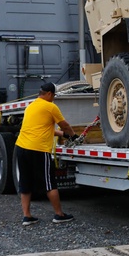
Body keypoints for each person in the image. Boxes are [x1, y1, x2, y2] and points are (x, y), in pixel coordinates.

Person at [15, 82, 76, 226]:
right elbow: (65, 125)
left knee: (25, 182)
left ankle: (27, 217)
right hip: (38, 149)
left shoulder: (31, 106)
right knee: (50, 182)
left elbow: (42, 128)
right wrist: (73, 136)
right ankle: (59, 214)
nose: (54, 98)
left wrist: (63, 135)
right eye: (53, 95)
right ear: (49, 94)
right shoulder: (50, 107)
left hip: (21, 147)